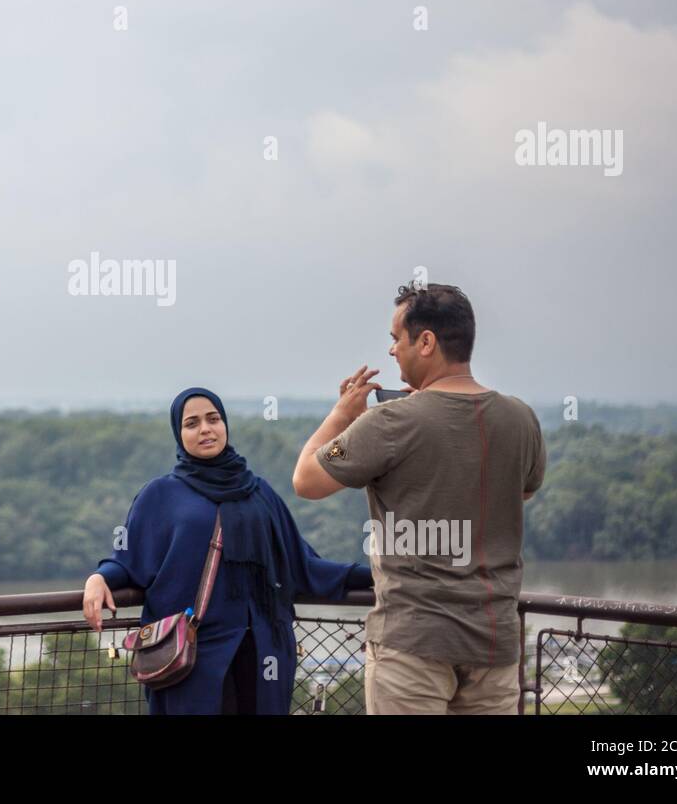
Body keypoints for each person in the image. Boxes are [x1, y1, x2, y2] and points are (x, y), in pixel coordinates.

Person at [292, 282, 547, 714]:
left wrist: (341, 416)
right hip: (495, 643)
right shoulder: (520, 417)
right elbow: (521, 491)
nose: (392, 352)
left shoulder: (390, 421)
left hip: (412, 645)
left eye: (396, 339)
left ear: (425, 341)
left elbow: (308, 479)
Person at [83, 386, 373, 715]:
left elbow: (301, 564)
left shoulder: (258, 492)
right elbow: (129, 559)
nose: (206, 429)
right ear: (178, 434)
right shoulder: (161, 495)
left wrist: (377, 576)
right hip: (194, 657)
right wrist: (98, 578)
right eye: (192, 423)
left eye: (213, 419)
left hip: (263, 652)